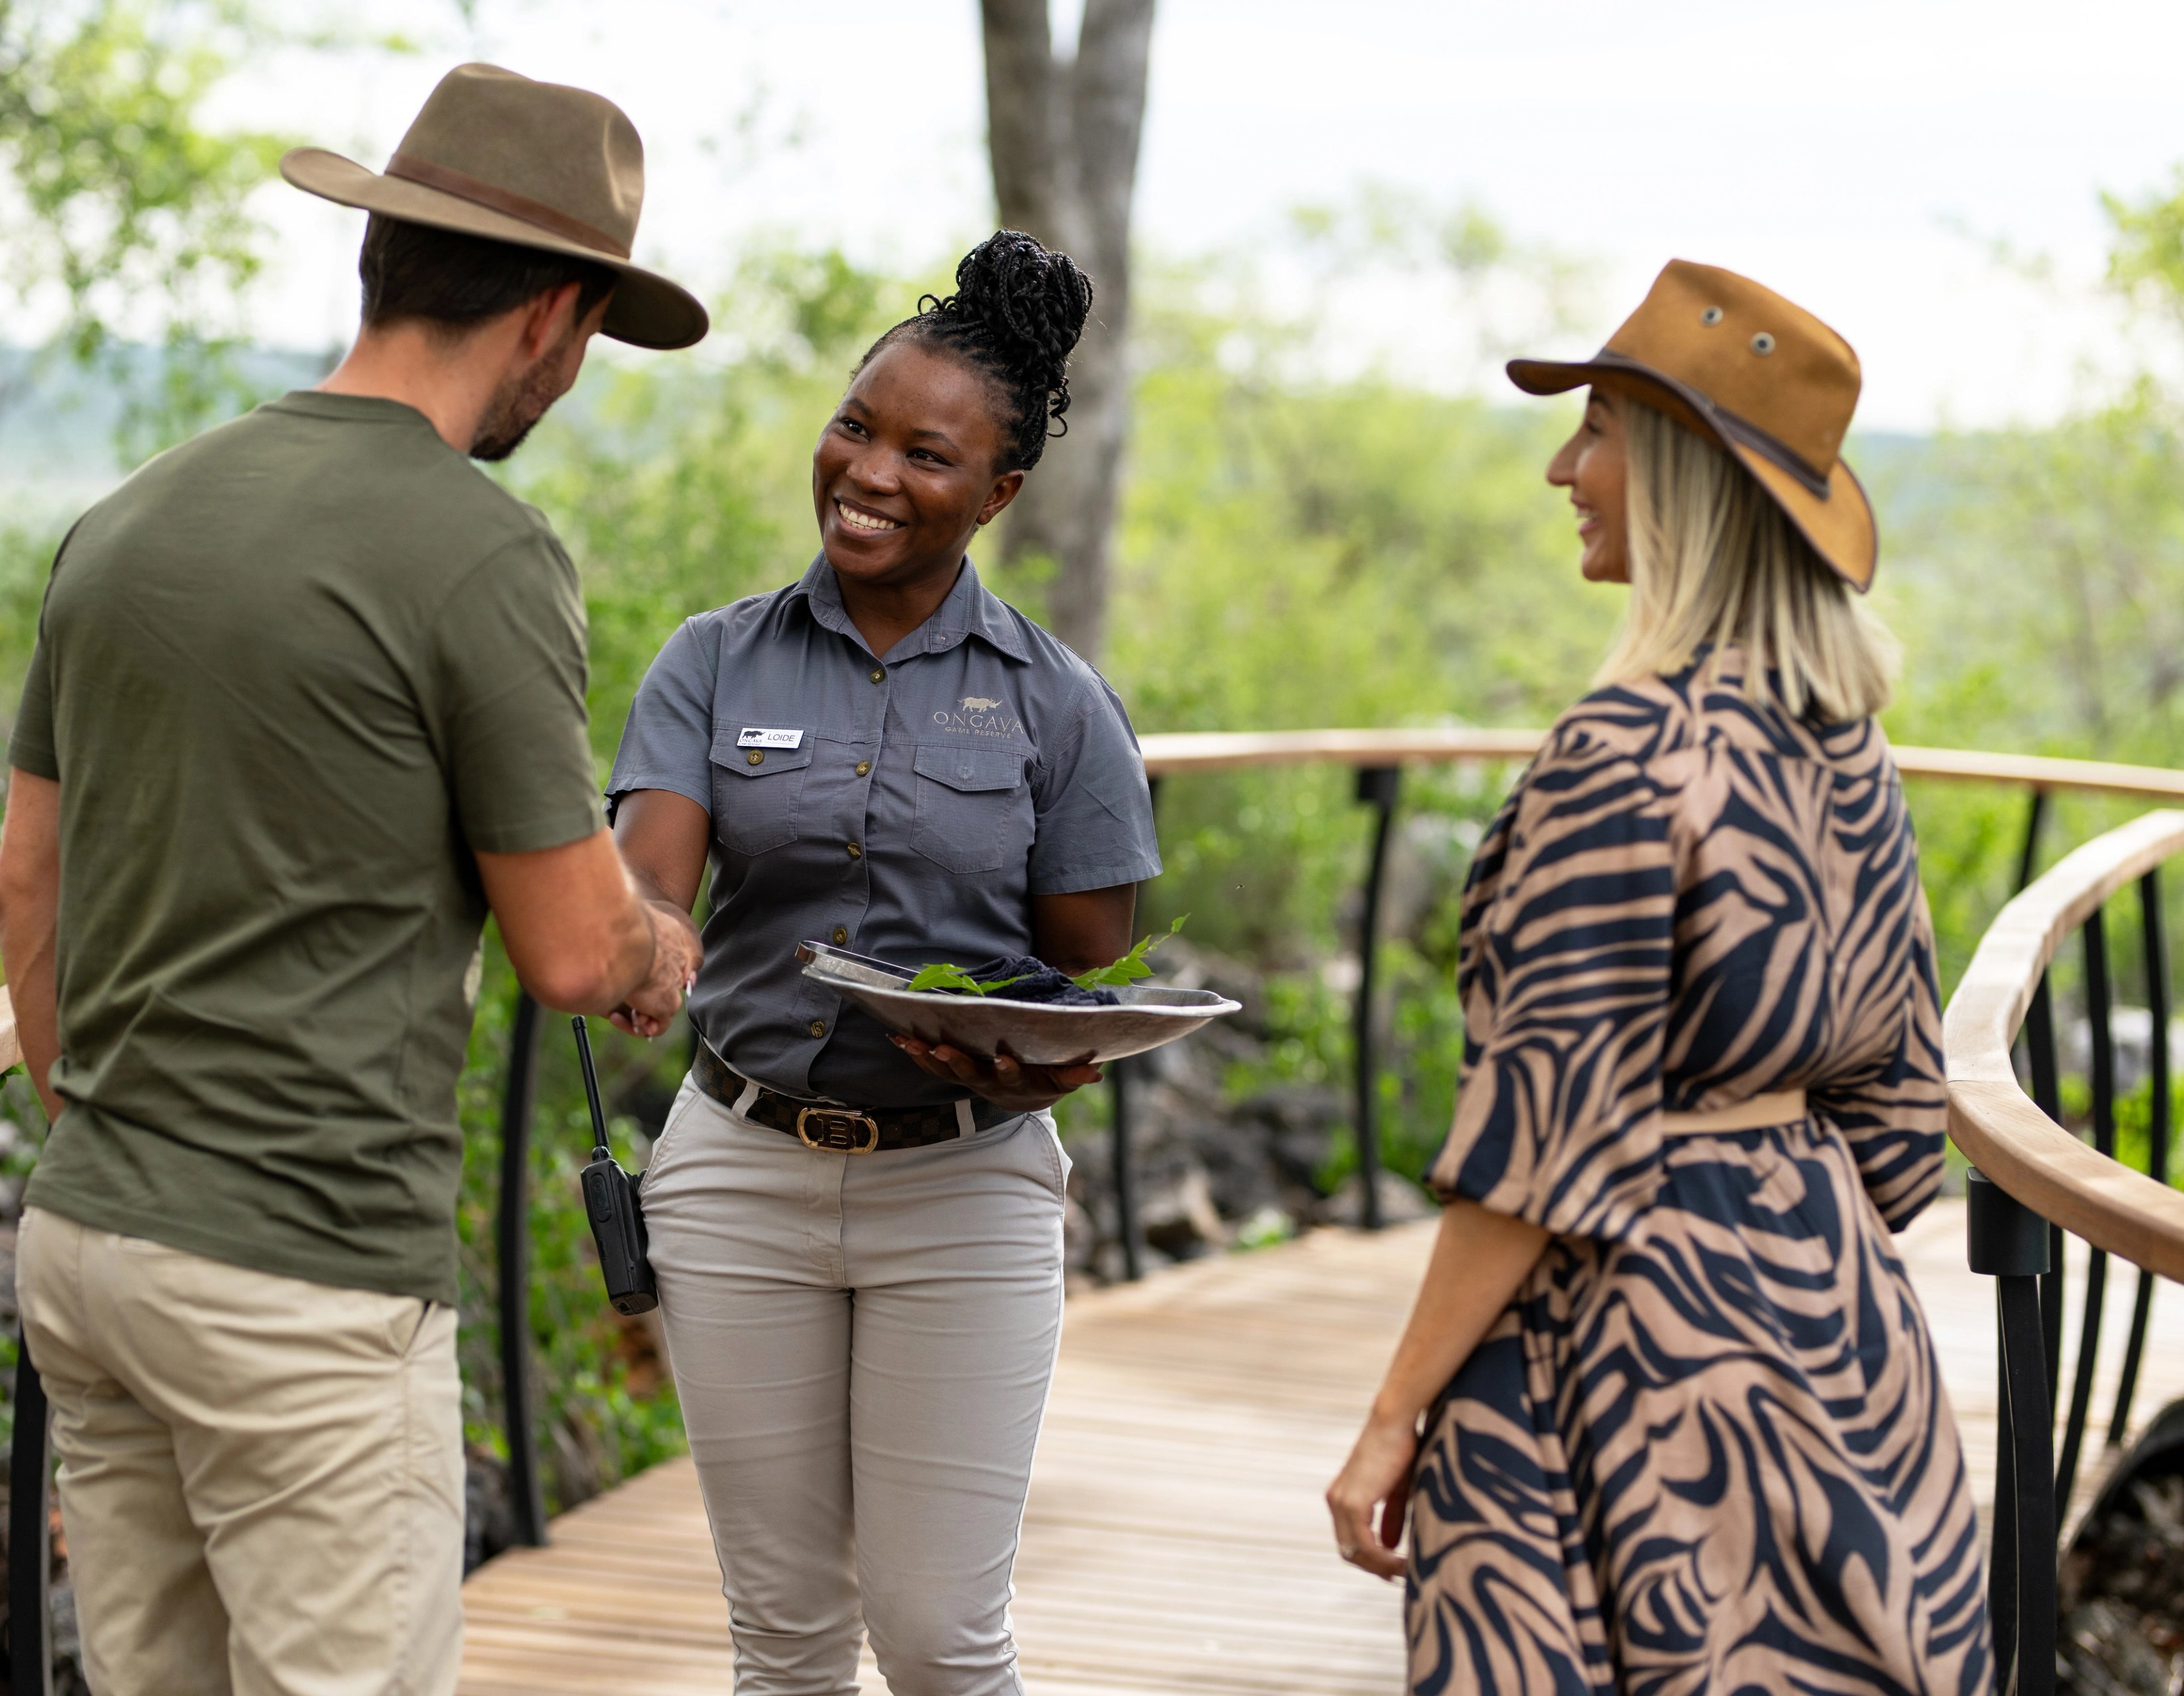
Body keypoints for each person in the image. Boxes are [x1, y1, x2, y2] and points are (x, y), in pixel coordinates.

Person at [0, 64, 706, 1696]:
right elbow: (574, 951)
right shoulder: (480, 551)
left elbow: (25, 883)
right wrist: (660, 944)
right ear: (553, 316)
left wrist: (114, 1143)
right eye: (590, 335)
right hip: (302, 1271)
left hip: (89, 1239)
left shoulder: (127, 518)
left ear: (383, 254)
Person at [1322, 261, 1993, 1691]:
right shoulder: (1846, 746)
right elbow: (1898, 1118)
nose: (1564, 469)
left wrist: (1393, 1417)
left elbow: (1539, 1153)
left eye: (1599, 432)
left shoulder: (1620, 753)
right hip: (1848, 1345)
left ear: (1686, 477)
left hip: (1625, 1353)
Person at [605, 230, 1161, 1696]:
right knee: (785, 1642)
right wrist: (640, 945)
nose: (869, 472)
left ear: (999, 493)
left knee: (939, 1641)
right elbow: (650, 889)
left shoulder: (1059, 702)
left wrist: (1036, 1048)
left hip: (963, 1188)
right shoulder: (711, 662)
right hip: (737, 1175)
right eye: (856, 427)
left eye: (926, 454)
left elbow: (1088, 966)